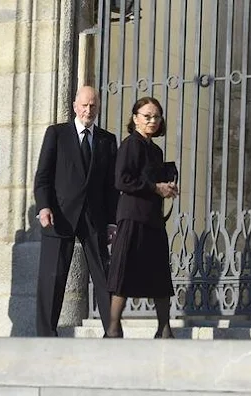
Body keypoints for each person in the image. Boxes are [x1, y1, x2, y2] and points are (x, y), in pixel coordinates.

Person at [34, 86, 118, 337]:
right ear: (74, 106)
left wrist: (112, 222)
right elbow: (43, 176)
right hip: (59, 216)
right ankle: (46, 336)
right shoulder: (57, 134)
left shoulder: (107, 140)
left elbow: (111, 187)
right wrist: (44, 206)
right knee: (53, 277)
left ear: (98, 107)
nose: (88, 110)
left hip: (94, 218)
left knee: (105, 277)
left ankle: (113, 333)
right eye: (84, 105)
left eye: (92, 105)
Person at [105, 96, 178, 339]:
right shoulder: (130, 144)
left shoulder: (155, 150)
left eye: (157, 116)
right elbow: (122, 180)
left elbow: (152, 182)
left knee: (159, 273)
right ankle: (113, 328)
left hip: (152, 219)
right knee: (123, 271)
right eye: (147, 116)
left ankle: (164, 328)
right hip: (133, 216)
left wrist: (167, 186)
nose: (153, 121)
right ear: (135, 118)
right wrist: (156, 187)